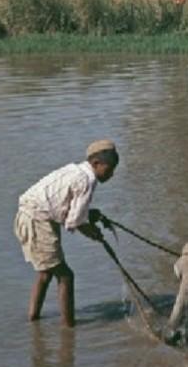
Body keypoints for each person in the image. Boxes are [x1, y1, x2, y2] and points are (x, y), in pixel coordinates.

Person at [14, 139, 119, 324]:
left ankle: (33, 318)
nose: (111, 174)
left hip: (31, 215)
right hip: (37, 220)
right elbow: (74, 221)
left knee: (46, 273)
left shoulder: (76, 170)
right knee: (66, 276)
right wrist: (92, 232)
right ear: (96, 164)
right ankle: (69, 327)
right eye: (109, 169)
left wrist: (91, 216)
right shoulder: (88, 180)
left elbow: (67, 208)